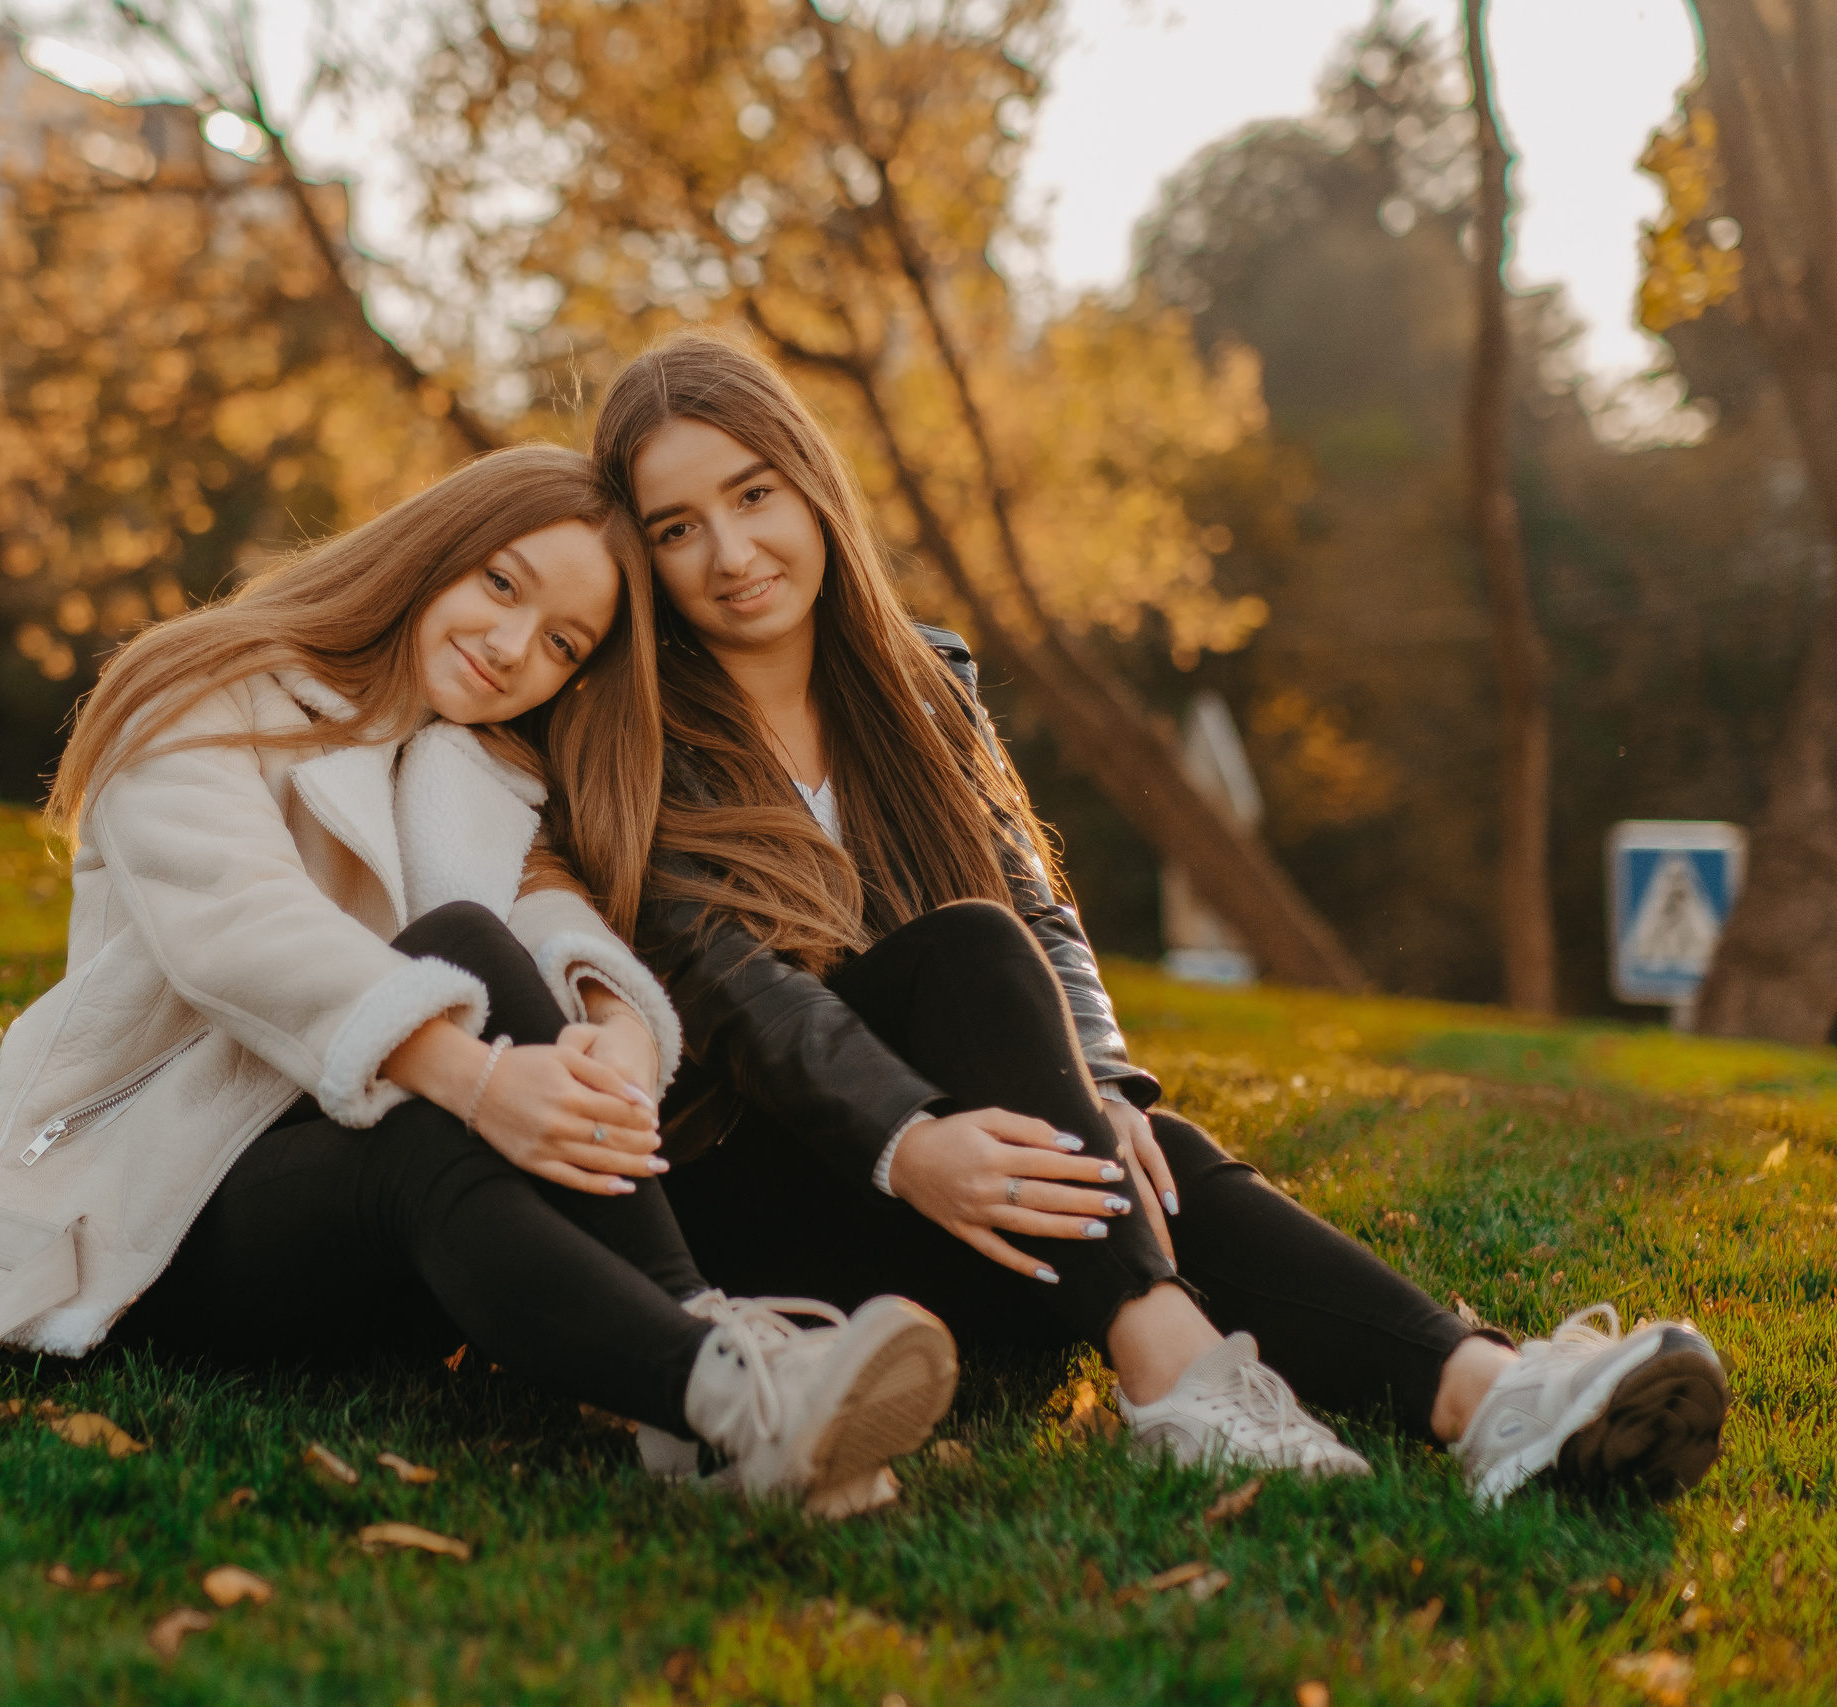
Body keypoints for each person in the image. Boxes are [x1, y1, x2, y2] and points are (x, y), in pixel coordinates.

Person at [580, 334, 1726, 1503]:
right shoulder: (630, 733)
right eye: (676, 528)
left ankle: (1489, 1398)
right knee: (972, 955)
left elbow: (1040, 903)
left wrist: (1103, 1092)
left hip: (975, 1213)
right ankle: (1173, 1374)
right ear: (642, 554)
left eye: (752, 495)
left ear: (809, 482)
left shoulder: (925, 681)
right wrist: (909, 1141)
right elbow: (741, 993)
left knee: (1145, 1149)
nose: (730, 554)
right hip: (776, 1218)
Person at [0, 444, 955, 1516]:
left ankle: (699, 1349)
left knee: (469, 957)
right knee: (432, 1093)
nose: (511, 648)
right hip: (152, 1220)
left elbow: (540, 912)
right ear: (432, 548)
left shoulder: (474, 765)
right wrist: (476, 1080)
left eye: (560, 643)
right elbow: (235, 923)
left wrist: (616, 1025)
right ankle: (734, 1399)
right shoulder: (204, 687)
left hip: (378, 1242)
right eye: (499, 583)